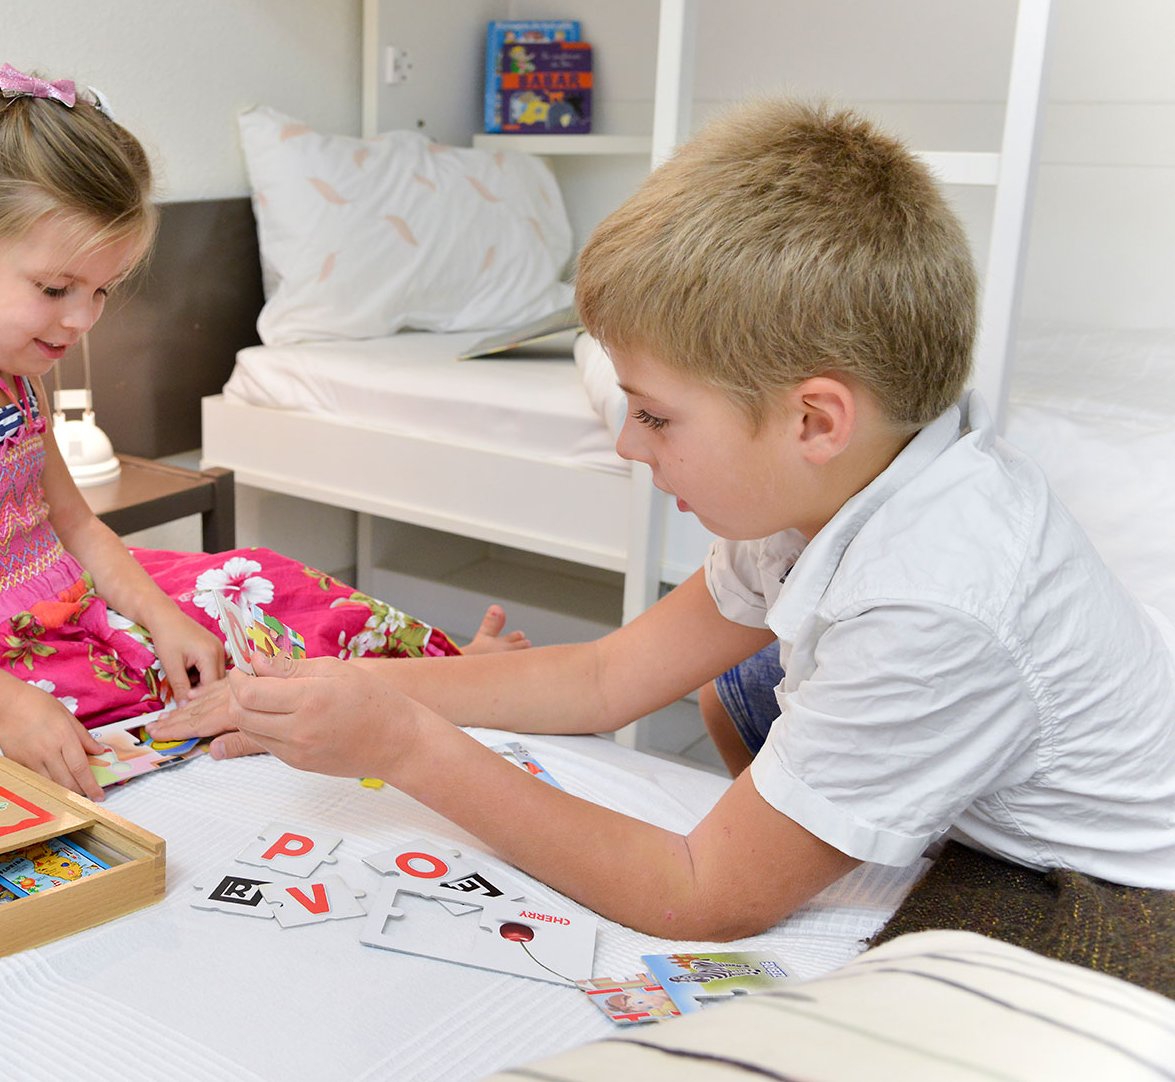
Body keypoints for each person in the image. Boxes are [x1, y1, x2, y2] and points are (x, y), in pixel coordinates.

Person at [150, 99, 1175, 939]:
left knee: (900, 999)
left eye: (654, 415)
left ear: (812, 417)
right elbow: (607, 676)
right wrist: (348, 686)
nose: (628, 446)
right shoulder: (837, 479)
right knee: (740, 687)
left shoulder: (934, 593)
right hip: (993, 760)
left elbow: (698, 892)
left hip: (1114, 889)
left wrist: (410, 744)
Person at [0, 66, 526, 803]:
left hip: (54, 604)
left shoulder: (8, 366)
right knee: (193, 698)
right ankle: (425, 690)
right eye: (55, 289)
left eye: (100, 292)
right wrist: (10, 706)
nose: (82, 320)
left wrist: (161, 614)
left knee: (252, 582)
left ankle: (448, 675)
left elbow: (76, 524)